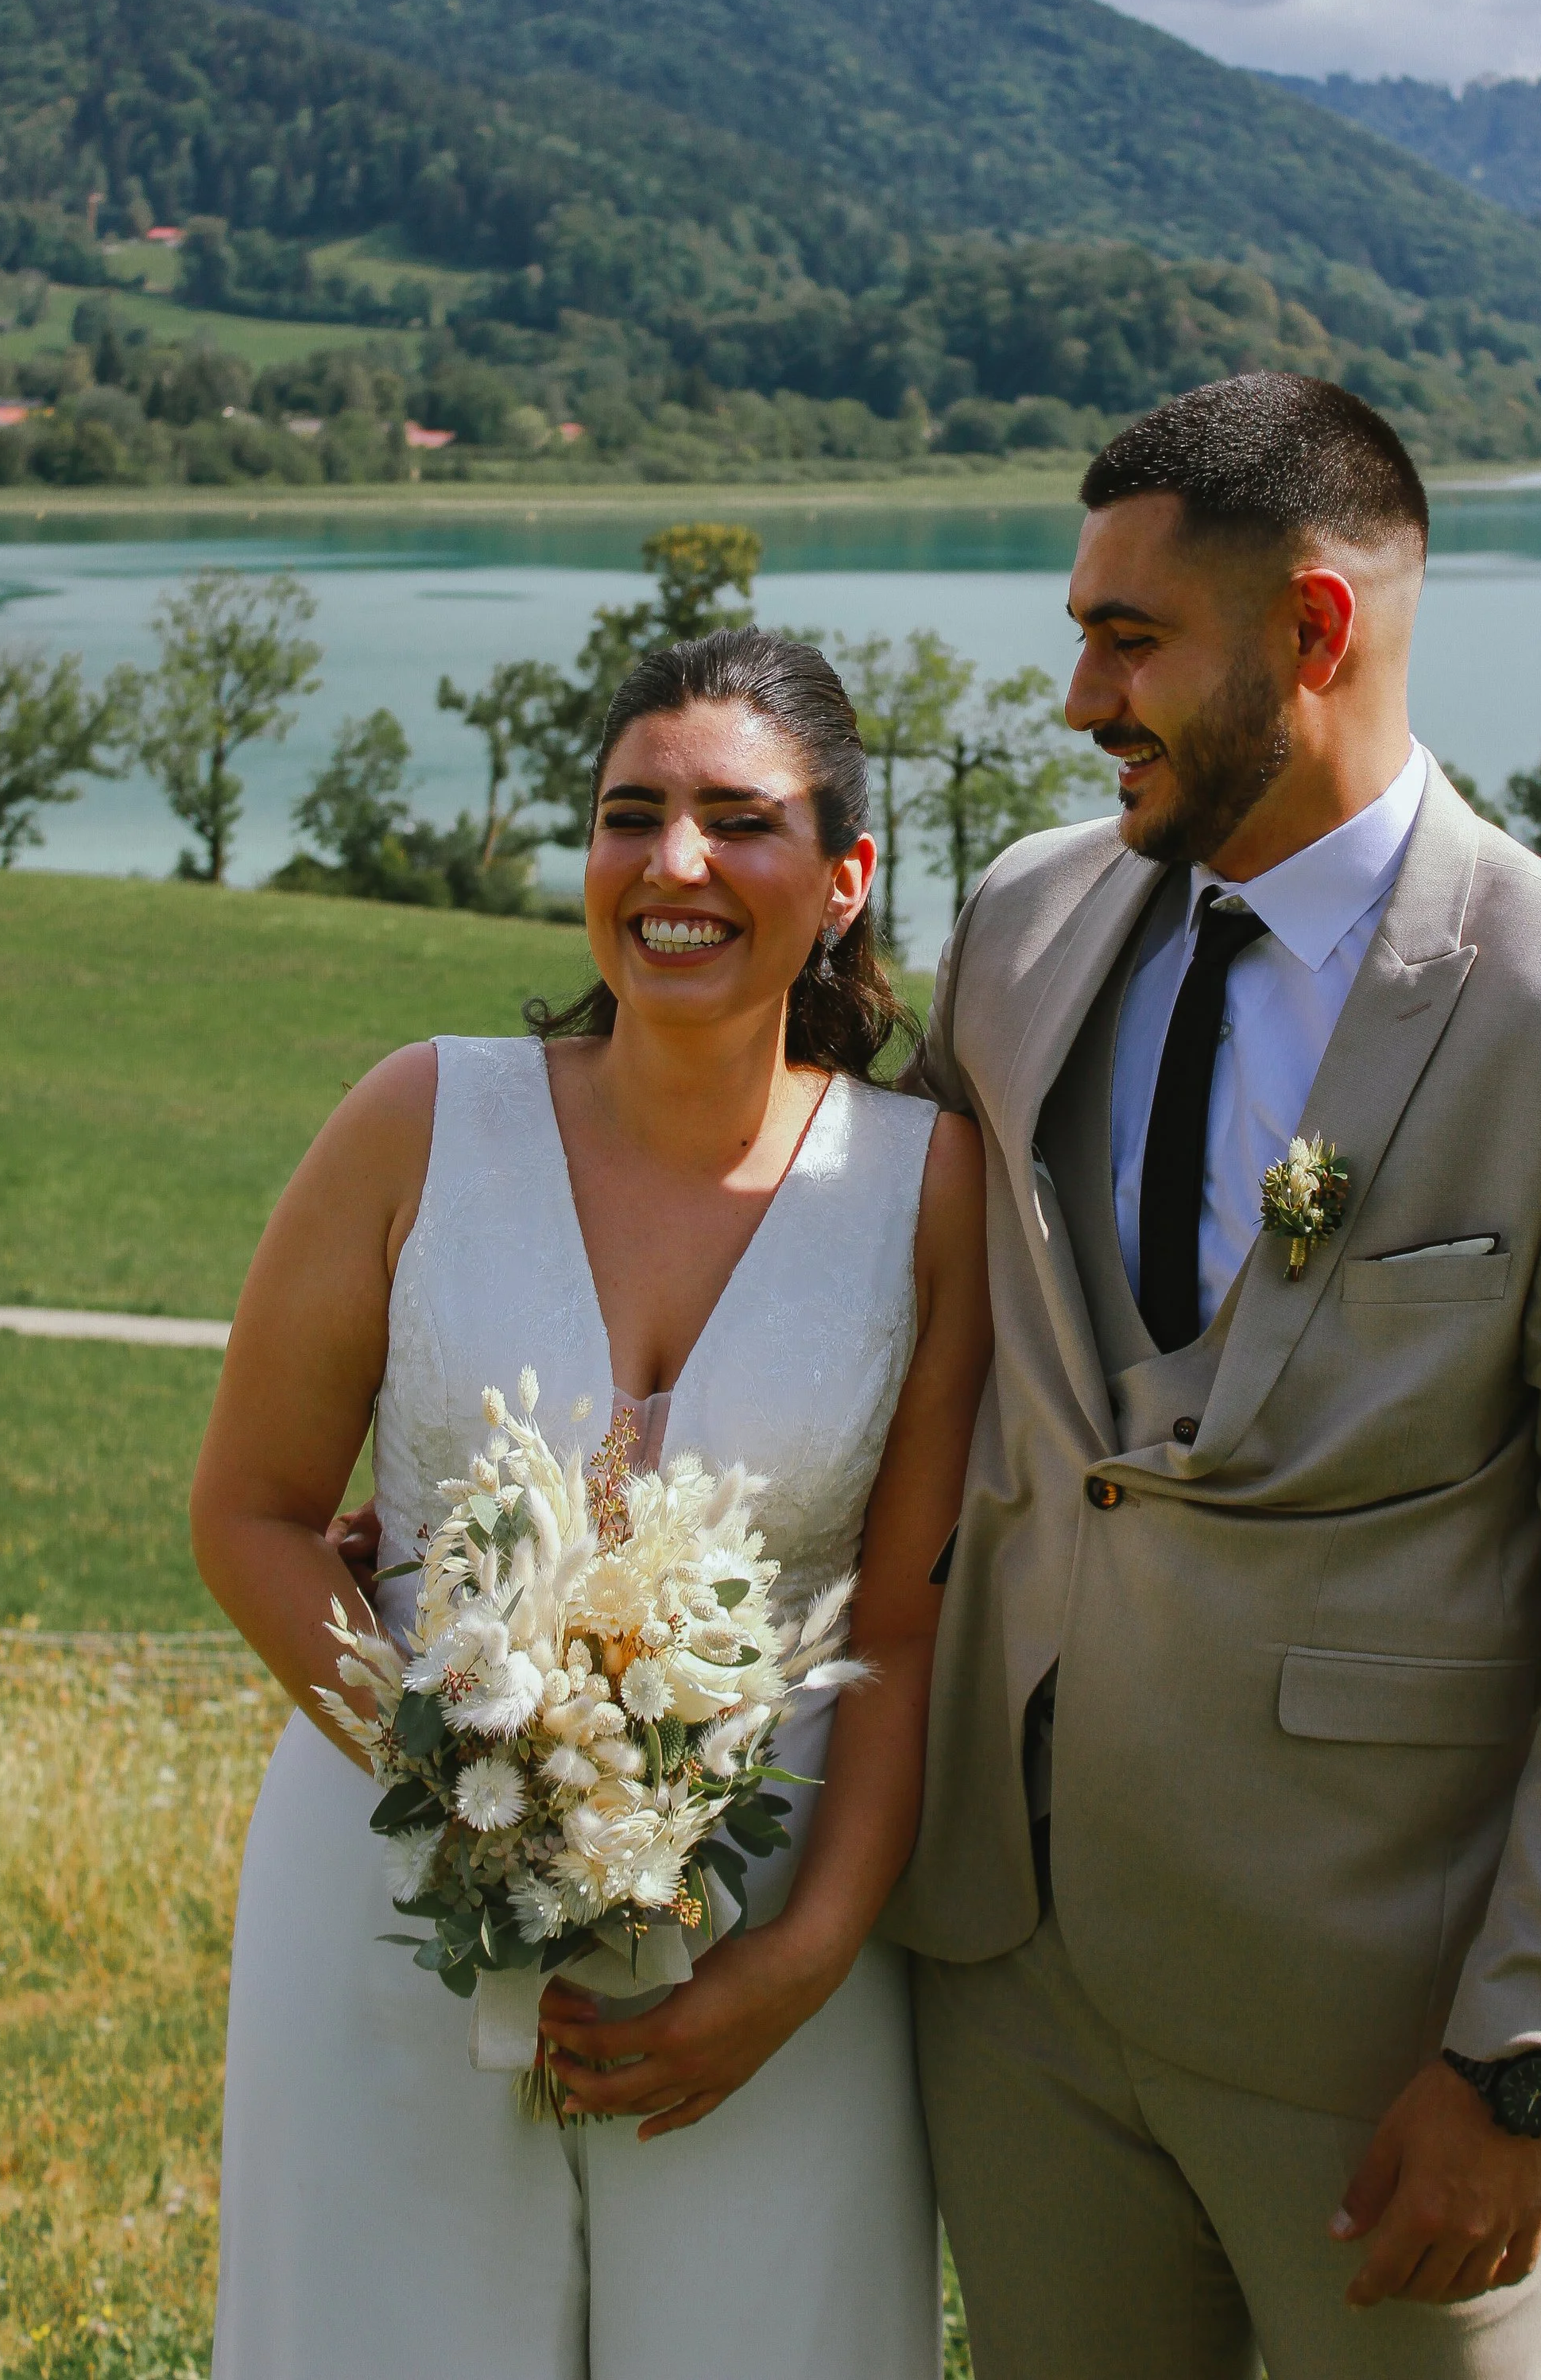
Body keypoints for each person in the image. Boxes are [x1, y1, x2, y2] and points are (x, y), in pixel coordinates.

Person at [892, 372, 1541, 2378]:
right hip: (1011, 1982)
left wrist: (1528, 2058)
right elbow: (877, 1276)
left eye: (1129, 642)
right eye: (1077, 637)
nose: (1078, 701)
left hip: (1378, 2030)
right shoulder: (1026, 921)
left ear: (1310, 630)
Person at [192, 630, 989, 2380]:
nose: (675, 865)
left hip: (765, 1930)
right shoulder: (421, 1121)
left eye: (738, 820)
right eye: (631, 816)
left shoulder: (925, 1194)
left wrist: (806, 1961)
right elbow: (248, 1513)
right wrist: (452, 1785)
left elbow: (912, 1627)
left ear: (845, 879)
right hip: (391, 1882)